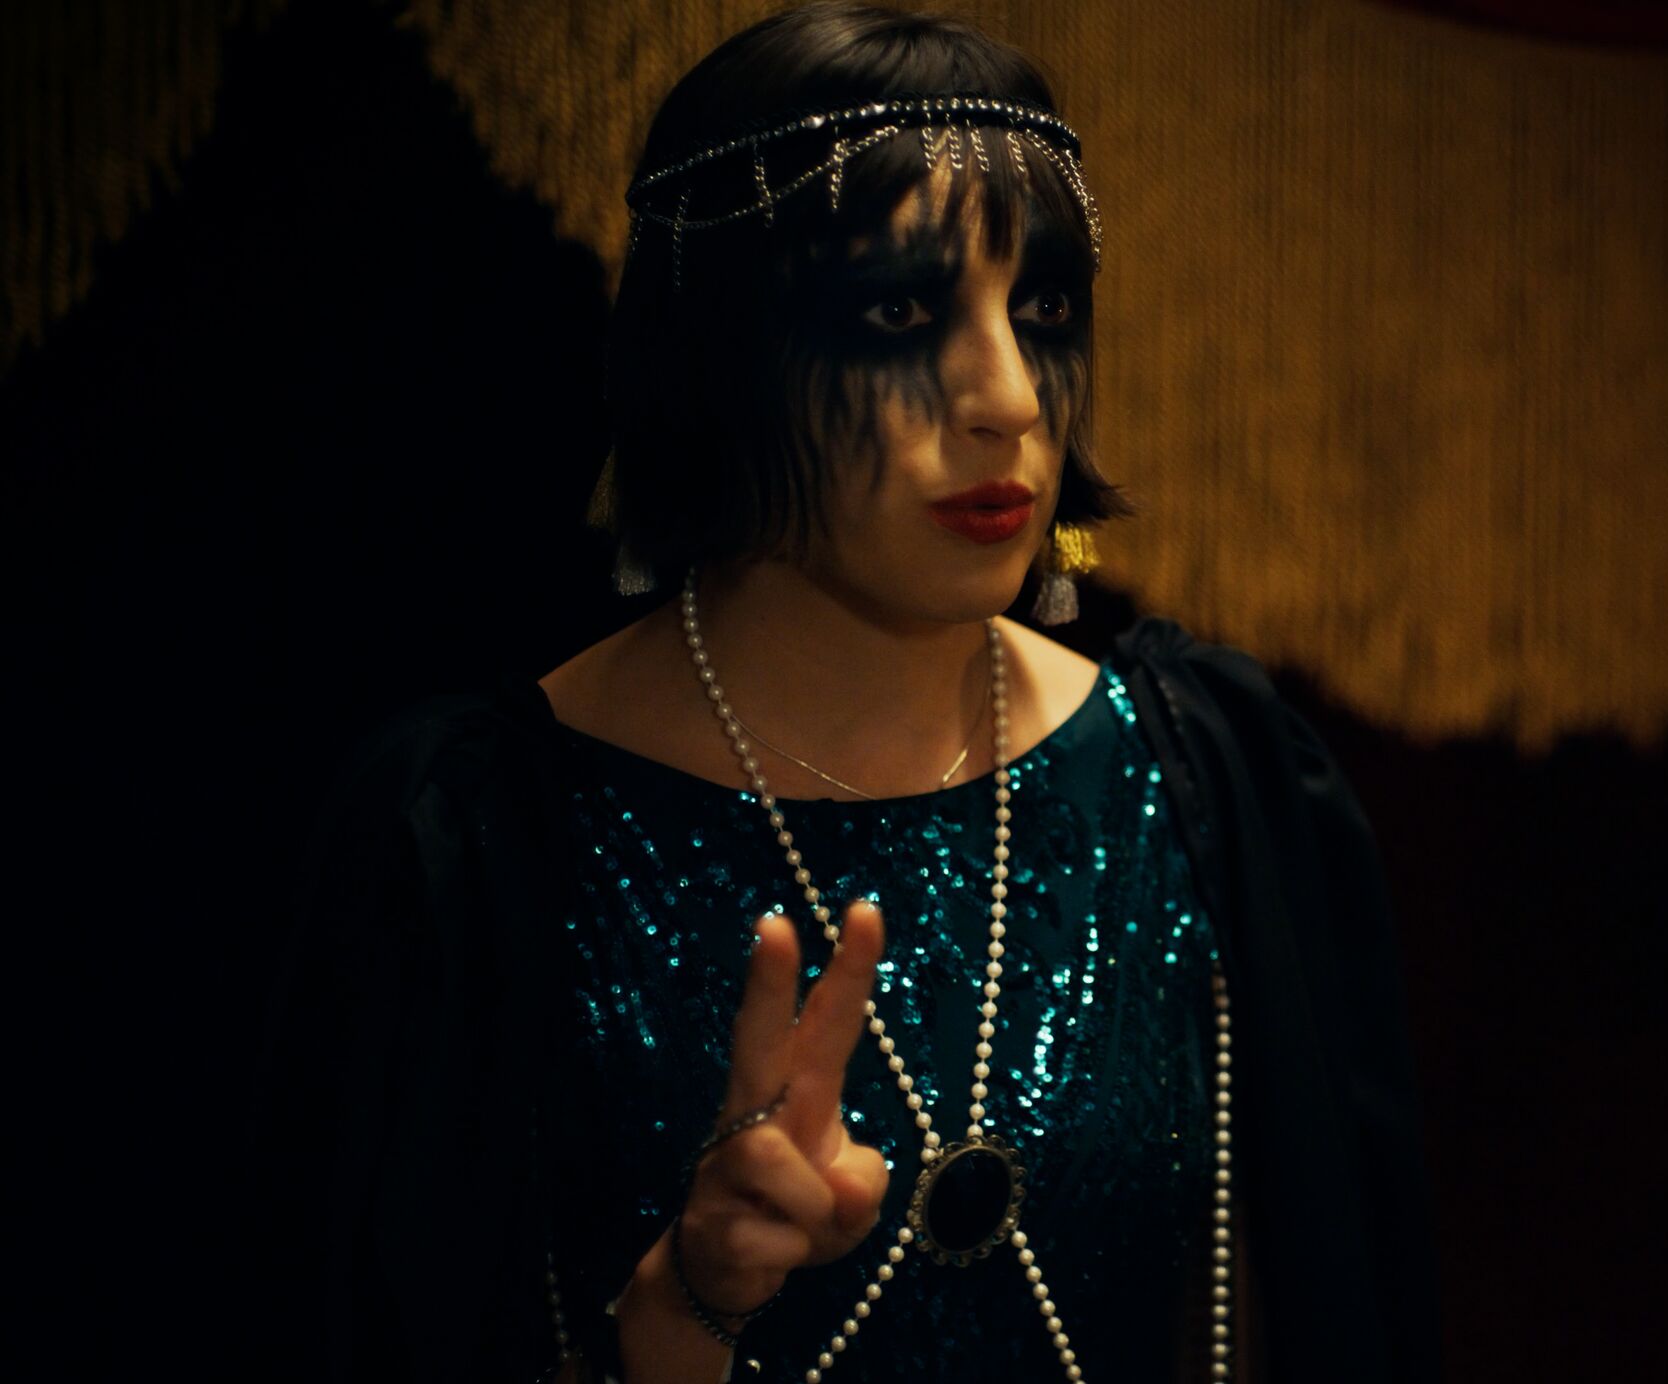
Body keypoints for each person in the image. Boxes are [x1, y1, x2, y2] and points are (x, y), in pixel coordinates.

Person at [259, 6, 1437, 1382]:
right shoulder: (467, 840)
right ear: (721, 353)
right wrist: (686, 1310)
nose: (1009, 398)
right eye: (899, 313)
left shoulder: (1208, 776)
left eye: (1043, 309)